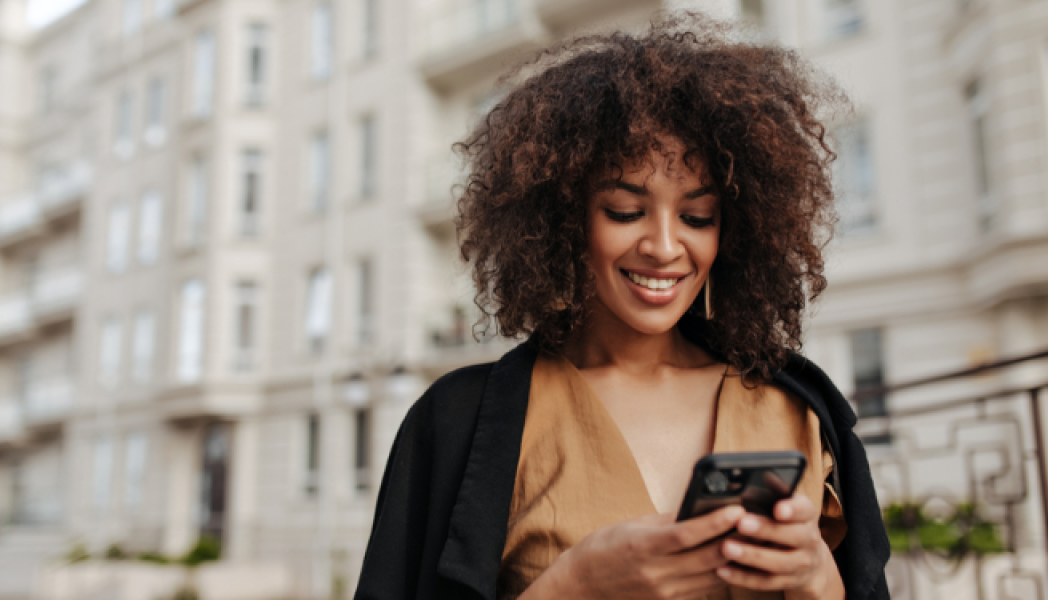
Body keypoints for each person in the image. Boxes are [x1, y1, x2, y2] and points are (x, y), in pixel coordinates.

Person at [355, 12, 890, 600]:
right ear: (565, 220)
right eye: (625, 211)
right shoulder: (454, 422)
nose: (664, 248)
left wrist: (816, 575)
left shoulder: (797, 410)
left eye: (696, 217)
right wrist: (574, 585)